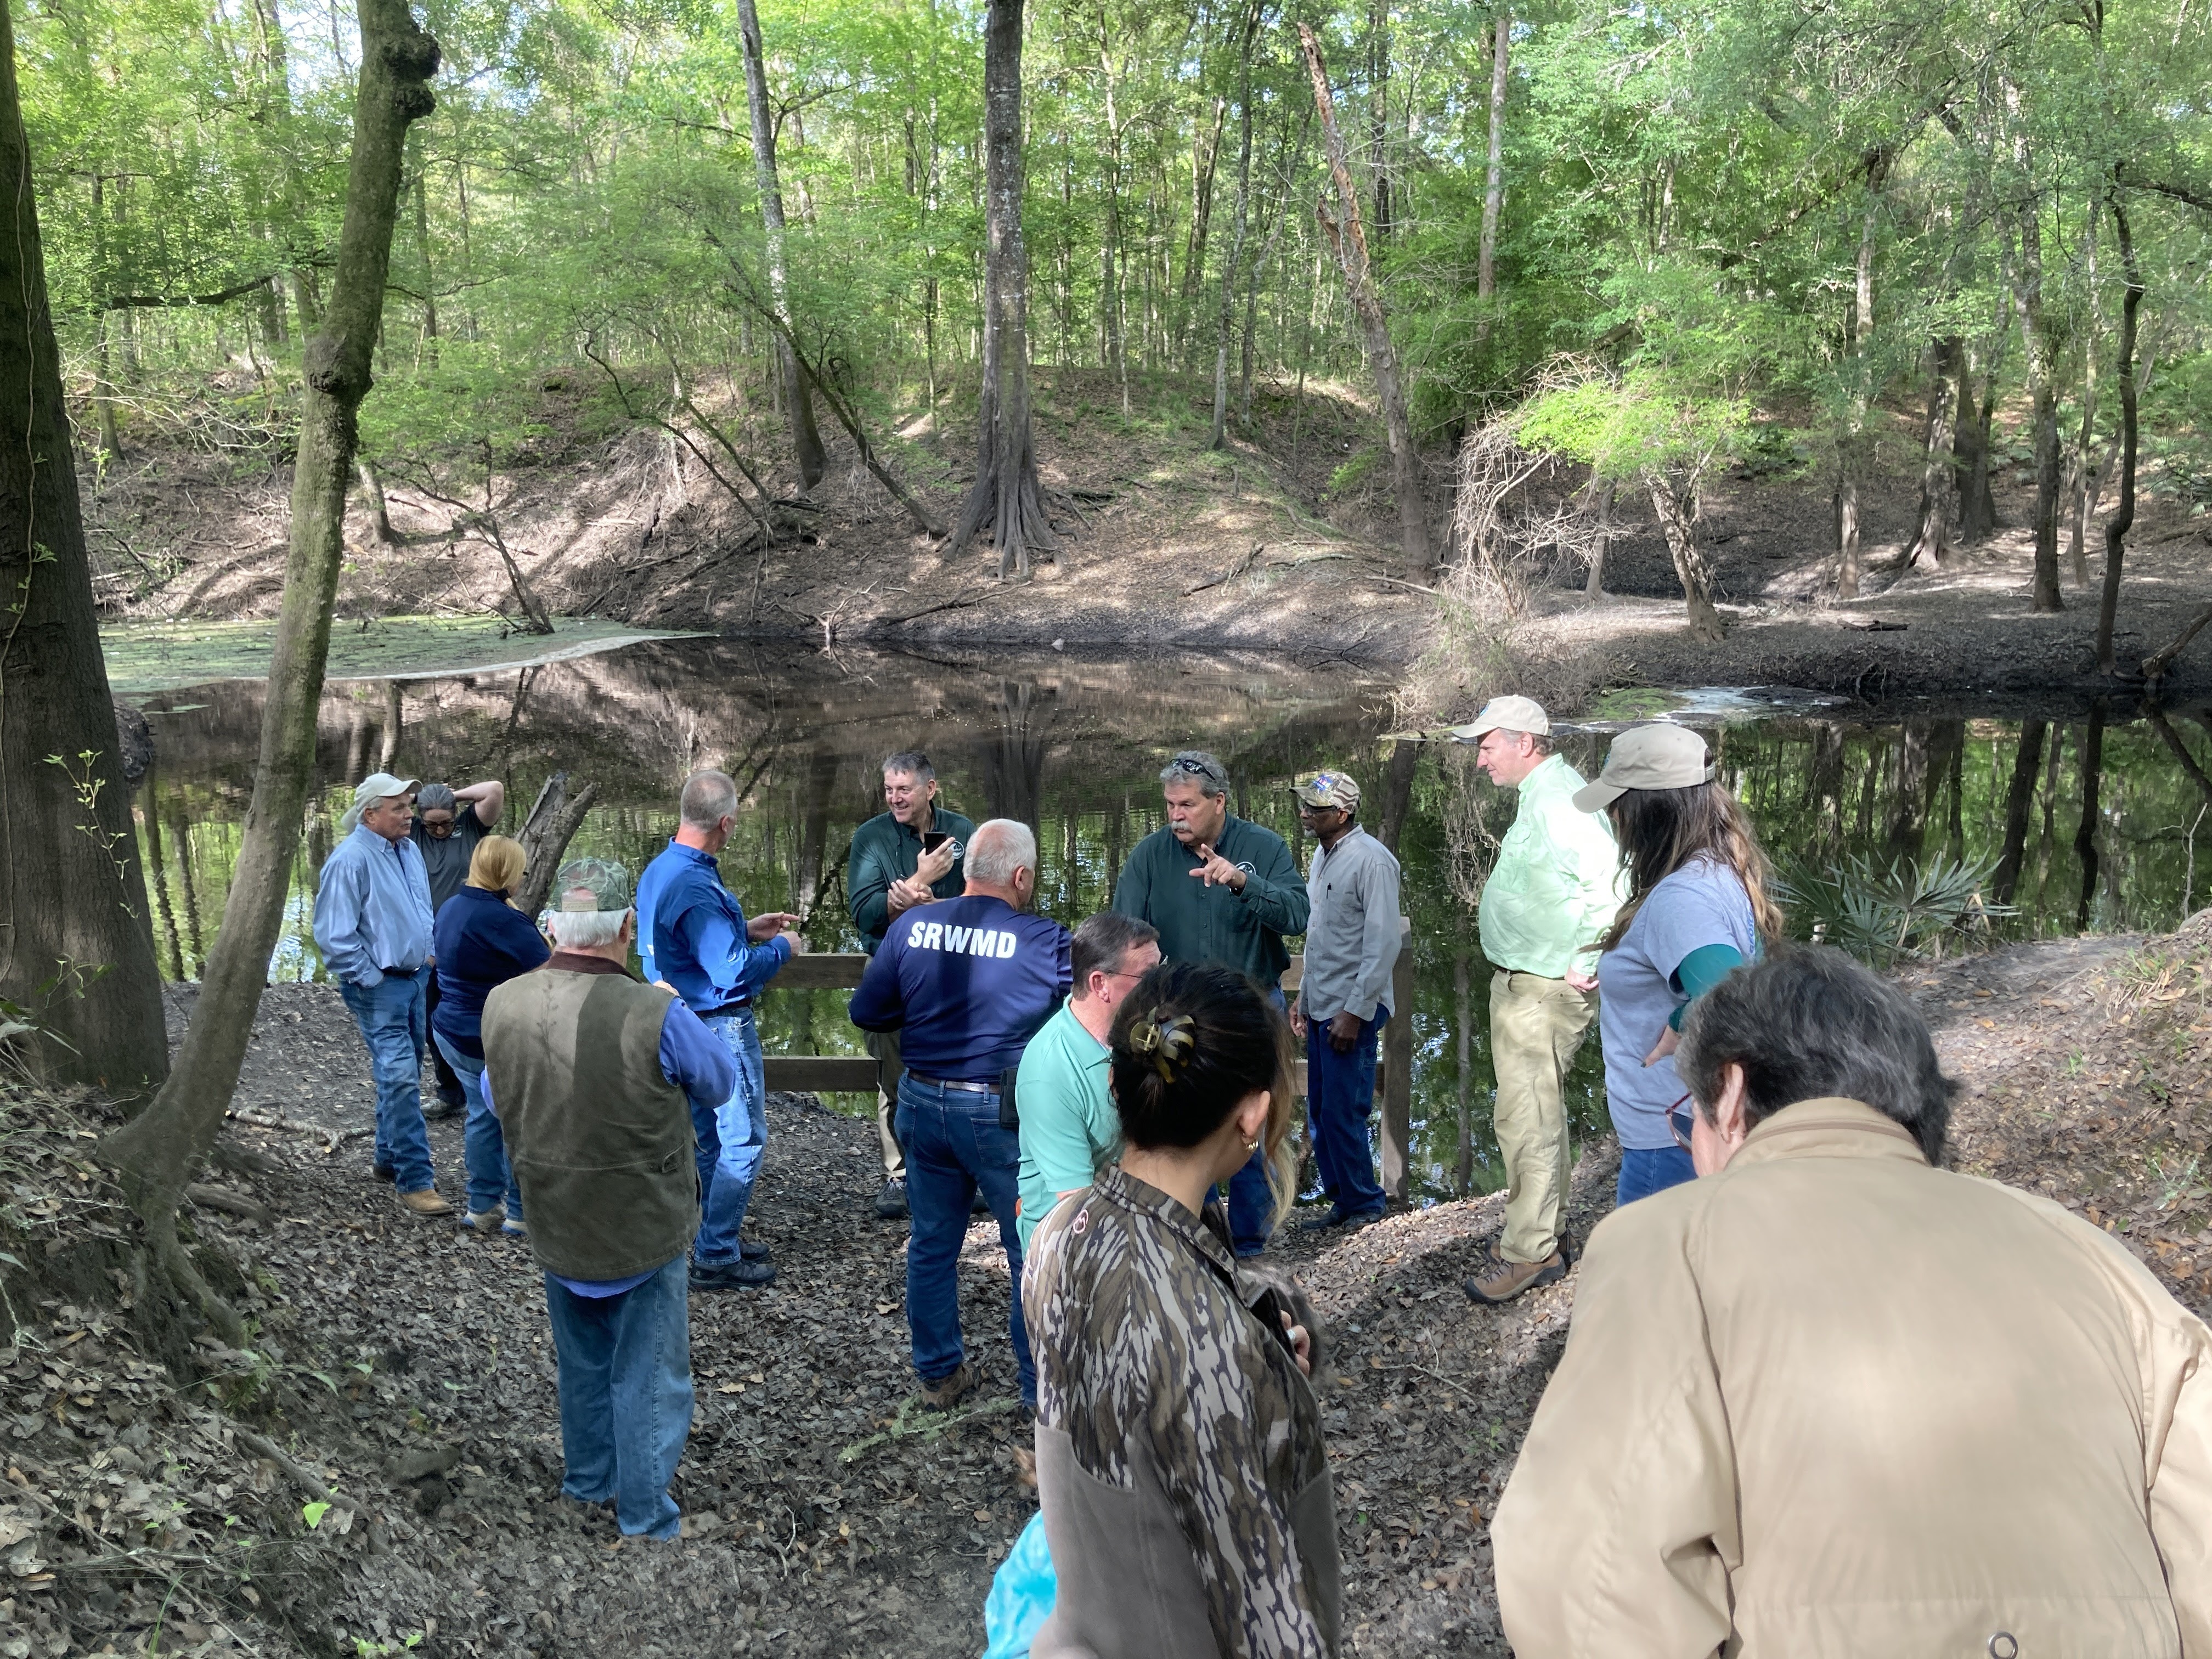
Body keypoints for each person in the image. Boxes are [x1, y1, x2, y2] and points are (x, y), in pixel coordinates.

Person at [1492, 947, 2212, 1656]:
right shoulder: (2094, 1260)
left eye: (1694, 1124)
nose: (1696, 1151)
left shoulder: (1670, 1242)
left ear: (1733, 1096)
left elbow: (1585, 1588)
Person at [1024, 961, 1339, 1657]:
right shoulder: (1208, 1347)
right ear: (1253, 1113)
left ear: (1120, 1083)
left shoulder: (1058, 1233)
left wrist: (1262, 1348)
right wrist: (1251, 1375)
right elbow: (1272, 1623)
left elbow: (1136, 1401)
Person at [479, 859, 736, 1543]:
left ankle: (586, 1483)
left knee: (583, 1361)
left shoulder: (503, 1002)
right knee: (650, 1377)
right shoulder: (657, 1012)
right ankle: (646, 1517)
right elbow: (719, 1083)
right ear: (628, 926)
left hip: (555, 1217)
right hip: (641, 1227)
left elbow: (490, 1094)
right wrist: (665, 1007)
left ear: (554, 927)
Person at [849, 819, 1071, 1411]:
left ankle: (939, 1374)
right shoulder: (1046, 940)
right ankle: (1038, 1391)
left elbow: (868, 1011)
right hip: (998, 1113)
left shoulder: (912, 925)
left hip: (920, 1101)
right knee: (1029, 1247)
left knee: (931, 1243)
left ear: (966, 868)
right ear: (1021, 877)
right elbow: (1093, 1013)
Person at [1571, 722, 1784, 1208]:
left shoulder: (1681, 899)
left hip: (1672, 1140)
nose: (1611, 815)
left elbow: (1728, 996)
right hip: (1690, 1126)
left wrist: (1674, 1026)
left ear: (1648, 810)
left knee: (1651, 1281)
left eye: (1616, 803)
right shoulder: (1717, 867)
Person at [1455, 696, 1626, 1305]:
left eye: (1487, 746)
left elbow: (1612, 883)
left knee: (1529, 1119)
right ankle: (1536, 1233)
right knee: (1527, 1114)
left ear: (1524, 742)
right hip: (1527, 984)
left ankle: (1532, 1254)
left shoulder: (1560, 801)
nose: (1481, 761)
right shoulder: (1545, 796)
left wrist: (1586, 962)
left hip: (1545, 988)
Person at [1113, 750, 1308, 1256]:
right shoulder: (1150, 857)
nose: (1175, 815)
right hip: (1178, 1016)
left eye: (1187, 805)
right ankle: (1186, 1236)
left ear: (1219, 802)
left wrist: (1243, 883)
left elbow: (1297, 914)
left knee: (1252, 1126)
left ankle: (1250, 1245)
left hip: (1251, 1012)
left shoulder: (1263, 847)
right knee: (1183, 1126)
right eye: (1170, 805)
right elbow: (1122, 936)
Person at [635, 770, 800, 1291]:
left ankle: (714, 1228)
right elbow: (731, 974)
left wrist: (745, 930)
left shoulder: (663, 869)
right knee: (743, 1140)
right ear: (725, 823)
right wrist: (780, 950)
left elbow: (683, 942)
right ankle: (715, 1253)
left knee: (708, 1138)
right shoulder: (694, 883)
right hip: (716, 1024)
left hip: (678, 1019)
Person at [311, 772, 449, 1218]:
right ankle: (415, 1179)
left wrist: (427, 955)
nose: (411, 815)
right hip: (379, 987)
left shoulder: (406, 849)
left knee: (405, 1069)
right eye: (400, 809)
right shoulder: (349, 860)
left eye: (409, 806)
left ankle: (387, 1159)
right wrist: (370, 977)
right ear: (370, 814)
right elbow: (334, 937)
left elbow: (421, 908)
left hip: (414, 980)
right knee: (401, 1077)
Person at [848, 751, 977, 1221]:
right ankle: (900, 1177)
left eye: (904, 789)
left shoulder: (963, 831)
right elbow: (862, 913)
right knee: (895, 1073)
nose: (895, 798)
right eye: (889, 789)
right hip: (893, 973)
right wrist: (909, 890)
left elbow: (985, 896)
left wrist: (933, 902)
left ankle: (961, 1171)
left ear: (930, 789)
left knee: (963, 1072)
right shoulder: (871, 838)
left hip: (955, 974)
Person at [1286, 769, 1401, 1235]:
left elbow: (1382, 944)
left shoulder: (1373, 862)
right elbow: (1319, 939)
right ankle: (1343, 1202)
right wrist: (1304, 1001)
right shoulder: (1323, 855)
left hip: (1351, 1010)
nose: (1305, 814)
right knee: (1319, 1110)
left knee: (1343, 1111)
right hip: (1321, 1004)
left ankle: (1366, 1206)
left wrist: (1354, 1012)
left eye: (1315, 808)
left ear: (1344, 812)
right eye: (1306, 805)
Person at [1013, 912, 1161, 1248]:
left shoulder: (1137, 1033)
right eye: (1148, 977)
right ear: (1100, 984)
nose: (1161, 988)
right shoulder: (1049, 1072)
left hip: (1130, 1217)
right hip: (1067, 1245)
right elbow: (1077, 1206)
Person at [430, 836, 549, 1237]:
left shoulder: (451, 906)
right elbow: (552, 970)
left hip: (449, 1029)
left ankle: (481, 1206)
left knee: (483, 1117)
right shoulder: (503, 920)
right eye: (521, 870)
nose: (522, 877)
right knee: (517, 1121)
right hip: (489, 1036)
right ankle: (518, 1212)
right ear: (505, 873)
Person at [410, 778, 507, 1117]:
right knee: (432, 1019)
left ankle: (492, 1086)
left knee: (481, 1011)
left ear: (456, 814)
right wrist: (416, 798)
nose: (438, 829)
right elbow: (364, 815)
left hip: (471, 940)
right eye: (431, 822)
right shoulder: (412, 834)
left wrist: (452, 795)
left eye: (445, 822)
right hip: (429, 946)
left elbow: (494, 789)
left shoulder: (470, 826)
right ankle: (450, 1092)